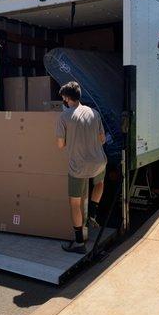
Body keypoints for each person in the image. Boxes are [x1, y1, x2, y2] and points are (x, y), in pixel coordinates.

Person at [56, 81, 107, 254]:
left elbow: (60, 145)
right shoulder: (94, 113)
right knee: (99, 183)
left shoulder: (63, 117)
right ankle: (93, 212)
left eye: (63, 97)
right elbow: (102, 139)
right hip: (99, 162)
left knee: (75, 203)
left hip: (78, 166)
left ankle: (79, 243)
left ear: (66, 98)